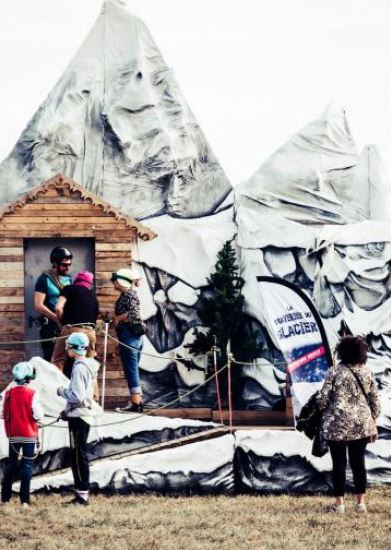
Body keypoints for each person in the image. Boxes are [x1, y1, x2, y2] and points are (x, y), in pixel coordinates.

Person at [318, 335, 381, 514]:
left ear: (341, 351)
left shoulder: (334, 371)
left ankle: (340, 505)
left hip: (336, 424)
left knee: (338, 463)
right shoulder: (367, 372)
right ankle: (361, 504)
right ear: (362, 352)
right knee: (358, 462)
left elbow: (323, 400)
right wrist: (372, 421)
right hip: (361, 425)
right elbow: (375, 401)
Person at [57, 332, 100, 506]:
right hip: (82, 415)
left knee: (77, 454)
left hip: (79, 416)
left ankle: (82, 494)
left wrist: (61, 391)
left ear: (72, 347)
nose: (66, 349)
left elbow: (77, 396)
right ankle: (81, 492)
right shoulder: (86, 365)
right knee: (78, 453)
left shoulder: (79, 367)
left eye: (68, 346)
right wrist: (67, 411)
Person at [1, 362, 44, 508]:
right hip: (29, 435)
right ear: (29, 378)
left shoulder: (8, 393)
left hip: (13, 434)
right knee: (27, 465)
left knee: (11, 465)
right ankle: (24, 500)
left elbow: (4, 413)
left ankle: (5, 498)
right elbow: (38, 415)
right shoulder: (33, 393)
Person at [52, 271, 99, 376]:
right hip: (90, 332)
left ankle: (58, 391)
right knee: (89, 365)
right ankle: (92, 392)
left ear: (76, 280)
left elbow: (58, 308)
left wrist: (61, 324)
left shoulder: (68, 289)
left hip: (71, 329)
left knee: (58, 361)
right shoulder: (93, 298)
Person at [111, 267, 144, 413]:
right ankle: (137, 401)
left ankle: (136, 404)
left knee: (131, 370)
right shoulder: (130, 294)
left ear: (121, 281)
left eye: (115, 282)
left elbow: (134, 314)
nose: (113, 285)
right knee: (133, 369)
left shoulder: (129, 295)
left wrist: (117, 319)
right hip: (133, 336)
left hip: (129, 336)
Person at [34, 246, 73, 361]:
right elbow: (38, 305)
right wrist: (56, 318)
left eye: (69, 264)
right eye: (64, 265)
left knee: (67, 359)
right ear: (55, 263)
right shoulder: (44, 279)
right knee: (50, 359)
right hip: (50, 327)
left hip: (66, 325)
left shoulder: (68, 279)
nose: (68, 268)